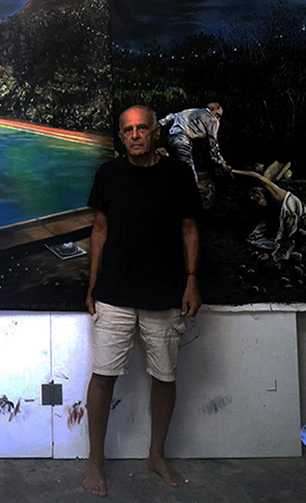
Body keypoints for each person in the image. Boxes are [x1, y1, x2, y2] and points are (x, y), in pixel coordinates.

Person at [83, 105, 203, 496]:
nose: (135, 135)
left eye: (142, 128)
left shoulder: (178, 175)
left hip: (165, 293)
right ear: (122, 136)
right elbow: (100, 230)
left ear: (155, 132)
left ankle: (156, 455)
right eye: (128, 130)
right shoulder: (108, 174)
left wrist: (191, 282)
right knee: (103, 377)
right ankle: (96, 462)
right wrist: (92, 283)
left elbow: (189, 229)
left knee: (164, 377)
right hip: (114, 293)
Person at [159, 102, 230, 182]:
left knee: (176, 169)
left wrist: (159, 123)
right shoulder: (212, 119)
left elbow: (171, 117)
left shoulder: (189, 111)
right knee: (190, 176)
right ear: (213, 111)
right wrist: (222, 163)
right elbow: (213, 144)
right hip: (182, 142)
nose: (218, 118)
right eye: (218, 115)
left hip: (171, 138)